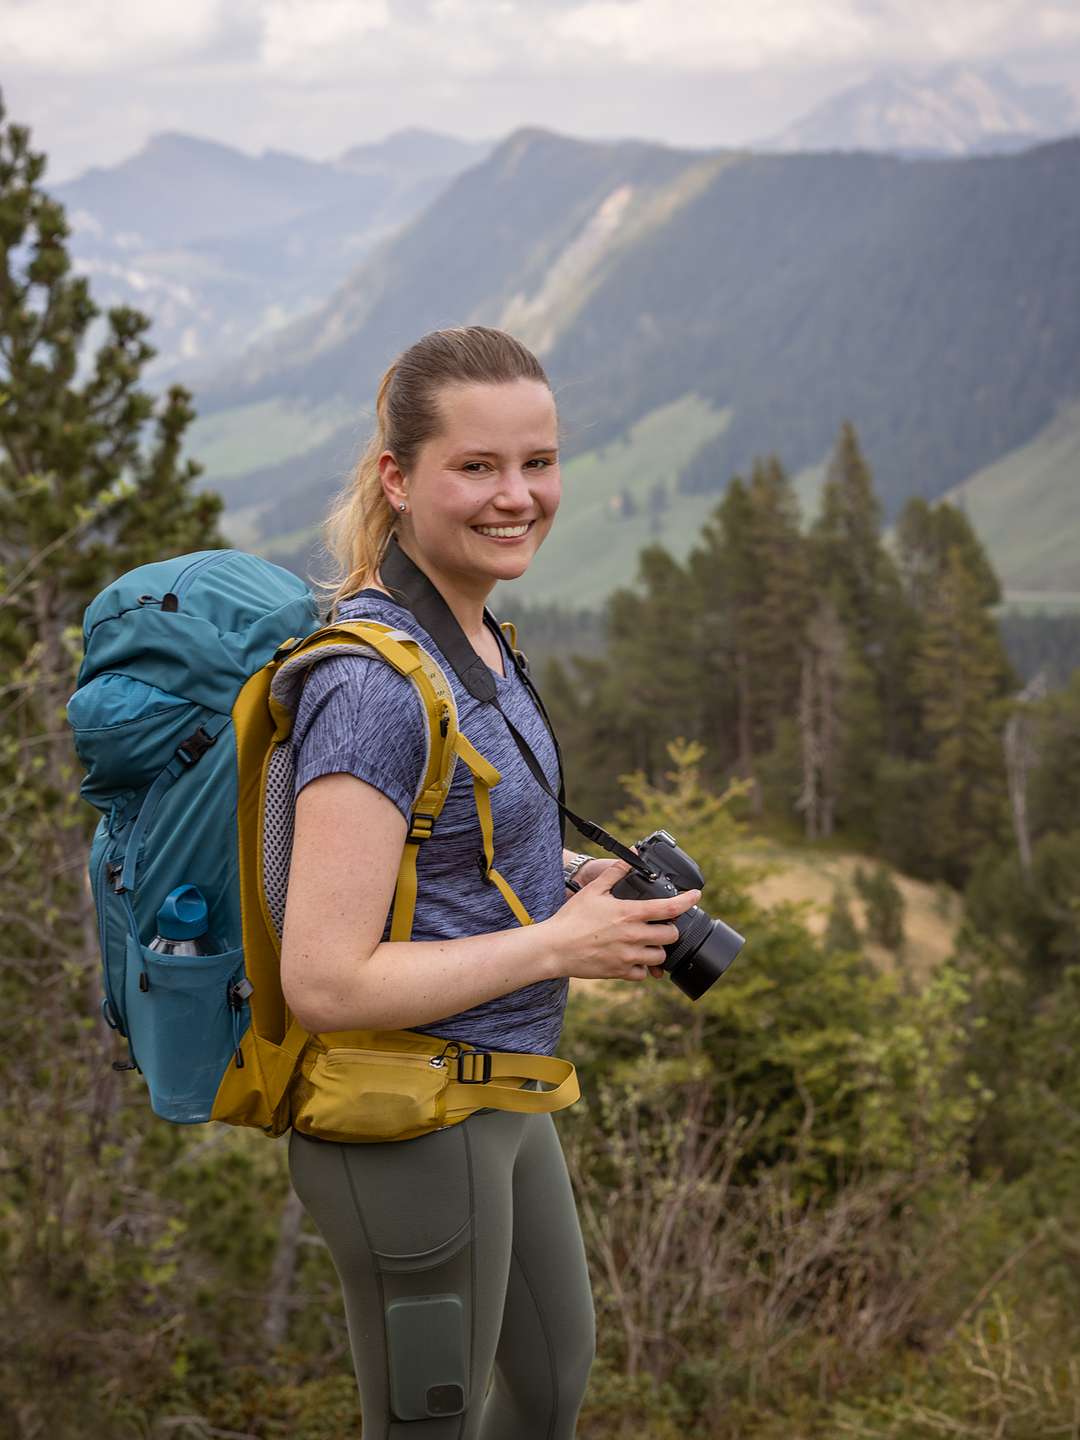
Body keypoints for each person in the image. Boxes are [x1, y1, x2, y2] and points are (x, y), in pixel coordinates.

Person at [281, 325, 700, 1439]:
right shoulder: (370, 687)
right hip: (409, 1116)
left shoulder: (480, 644)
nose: (517, 496)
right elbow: (324, 977)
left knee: (551, 1388)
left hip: (505, 1090)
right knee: (428, 1425)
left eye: (538, 462)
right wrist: (563, 946)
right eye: (476, 467)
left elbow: (442, 844)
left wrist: (573, 879)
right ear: (398, 479)